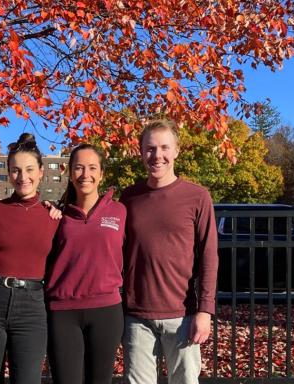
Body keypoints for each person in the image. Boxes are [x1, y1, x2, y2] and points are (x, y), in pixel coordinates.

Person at [120, 119, 218, 384]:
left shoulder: (197, 197)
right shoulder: (128, 199)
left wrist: (205, 311)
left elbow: (209, 257)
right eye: (150, 148)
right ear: (140, 152)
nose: (157, 156)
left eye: (164, 147)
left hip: (183, 314)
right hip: (136, 315)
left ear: (176, 150)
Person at [0, 133, 60, 384]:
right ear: (9, 173)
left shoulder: (53, 217)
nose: (23, 177)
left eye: (29, 169)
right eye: (15, 170)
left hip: (32, 306)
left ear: (41, 172)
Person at [45, 144, 126, 384]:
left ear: (102, 173)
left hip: (106, 311)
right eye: (78, 168)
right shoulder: (56, 215)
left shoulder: (120, 211)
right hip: (63, 312)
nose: (85, 174)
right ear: (70, 173)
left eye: (92, 168)